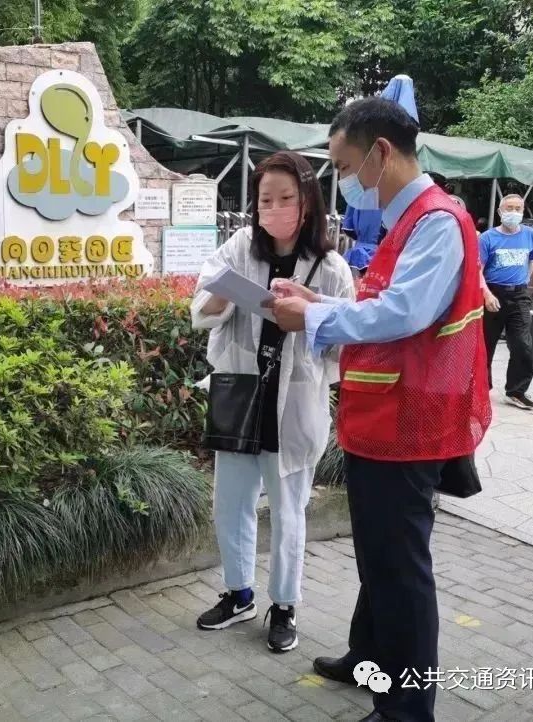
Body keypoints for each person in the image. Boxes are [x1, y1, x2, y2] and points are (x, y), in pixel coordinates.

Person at [269, 98, 491, 722]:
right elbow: (381, 304)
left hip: (408, 425)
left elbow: (404, 314)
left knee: (400, 572)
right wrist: (317, 301)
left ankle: (408, 709)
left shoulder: (437, 221)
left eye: (344, 167)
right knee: (379, 556)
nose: (343, 182)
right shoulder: (410, 222)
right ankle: (369, 656)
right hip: (383, 420)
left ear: (381, 153)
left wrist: (312, 318)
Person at [191, 151, 354, 653]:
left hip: (293, 404)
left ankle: (284, 604)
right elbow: (202, 307)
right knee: (230, 502)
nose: (275, 208)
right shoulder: (241, 246)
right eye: (266, 199)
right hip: (242, 395)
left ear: (307, 203)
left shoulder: (331, 267)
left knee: (288, 511)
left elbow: (346, 342)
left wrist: (309, 311)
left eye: (286, 198)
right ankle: (239, 593)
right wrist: (224, 295)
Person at [480, 194, 533, 409]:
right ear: (500, 212)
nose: (513, 212)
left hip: (519, 295)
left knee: (523, 344)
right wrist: (487, 294)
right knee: (485, 345)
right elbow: (477, 270)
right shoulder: (487, 238)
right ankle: (481, 389)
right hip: (493, 293)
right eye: (509, 208)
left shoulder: (530, 234)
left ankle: (516, 391)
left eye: (517, 208)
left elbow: (532, 260)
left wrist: (525, 281)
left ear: (523, 211)